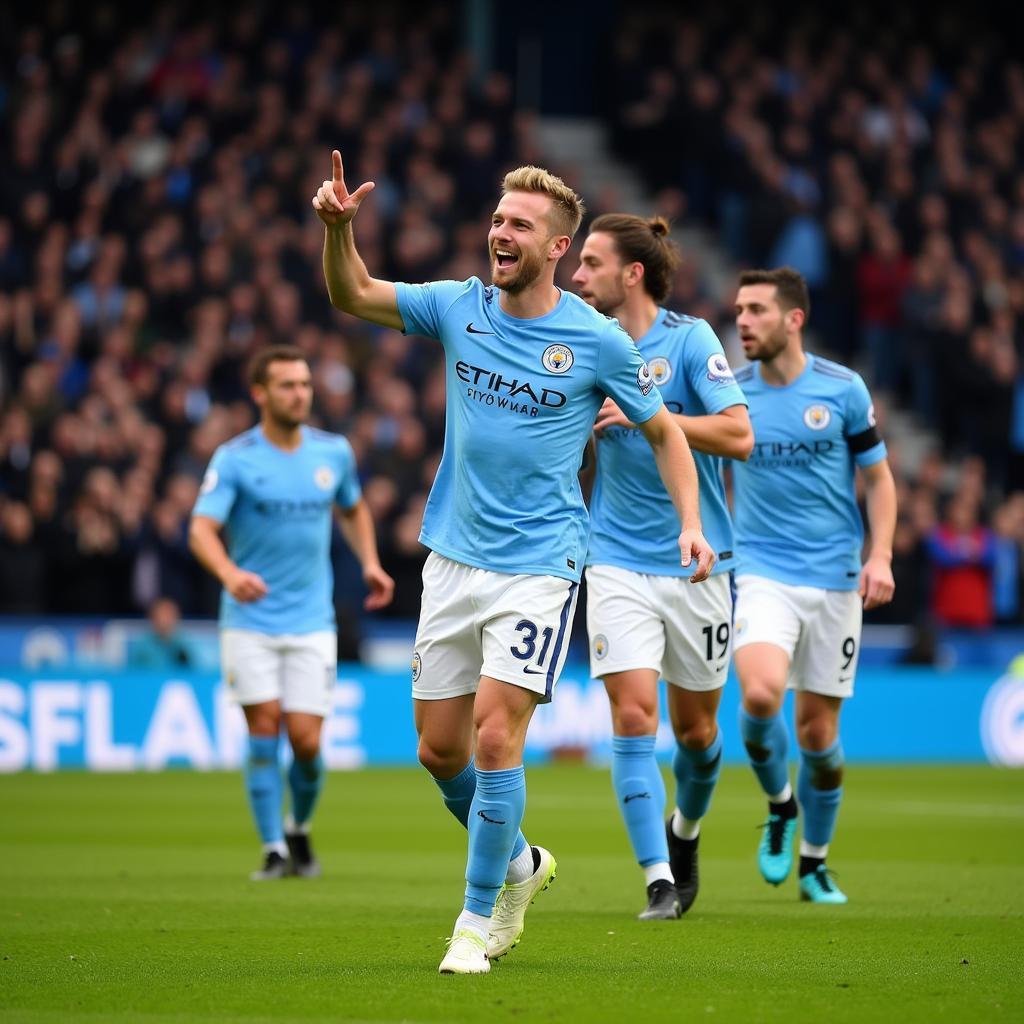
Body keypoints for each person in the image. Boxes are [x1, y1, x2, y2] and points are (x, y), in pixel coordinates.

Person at [312, 152, 715, 973]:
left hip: (541, 564)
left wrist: (692, 523)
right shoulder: (459, 306)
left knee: (499, 738)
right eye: (498, 219)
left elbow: (666, 431)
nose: (500, 232)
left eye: (519, 225)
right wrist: (339, 231)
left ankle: (474, 922)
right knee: (440, 750)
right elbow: (352, 293)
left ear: (557, 248)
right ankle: (524, 864)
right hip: (453, 559)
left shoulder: (597, 341)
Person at [572, 214, 753, 920]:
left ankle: (684, 833)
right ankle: (657, 879)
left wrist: (651, 417)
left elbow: (740, 434)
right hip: (614, 557)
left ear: (632, 273)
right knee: (634, 716)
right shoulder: (583, 342)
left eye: (590, 263)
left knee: (700, 735)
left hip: (699, 561)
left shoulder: (689, 341)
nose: (577, 277)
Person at [189, 346, 394, 881]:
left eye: (304, 384)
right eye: (287, 386)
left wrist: (370, 562)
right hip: (249, 620)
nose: (300, 394)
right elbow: (201, 529)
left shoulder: (333, 454)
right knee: (264, 728)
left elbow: (352, 509)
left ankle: (298, 827)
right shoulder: (236, 459)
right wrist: (230, 575)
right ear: (260, 393)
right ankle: (273, 848)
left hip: (311, 620)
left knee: (306, 741)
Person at [731, 268, 897, 904]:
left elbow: (879, 480)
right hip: (762, 572)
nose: (742, 321)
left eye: (756, 310)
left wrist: (879, 555)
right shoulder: (733, 395)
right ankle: (779, 805)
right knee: (762, 695)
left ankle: (814, 862)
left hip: (834, 580)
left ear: (792, 319)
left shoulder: (843, 389)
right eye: (739, 310)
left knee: (819, 739)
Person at [127, 596, 197, 668]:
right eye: (162, 615)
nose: (165, 620)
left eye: (169, 615)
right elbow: (133, 673)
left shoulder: (185, 644)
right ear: (153, 617)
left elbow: (193, 670)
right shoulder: (142, 646)